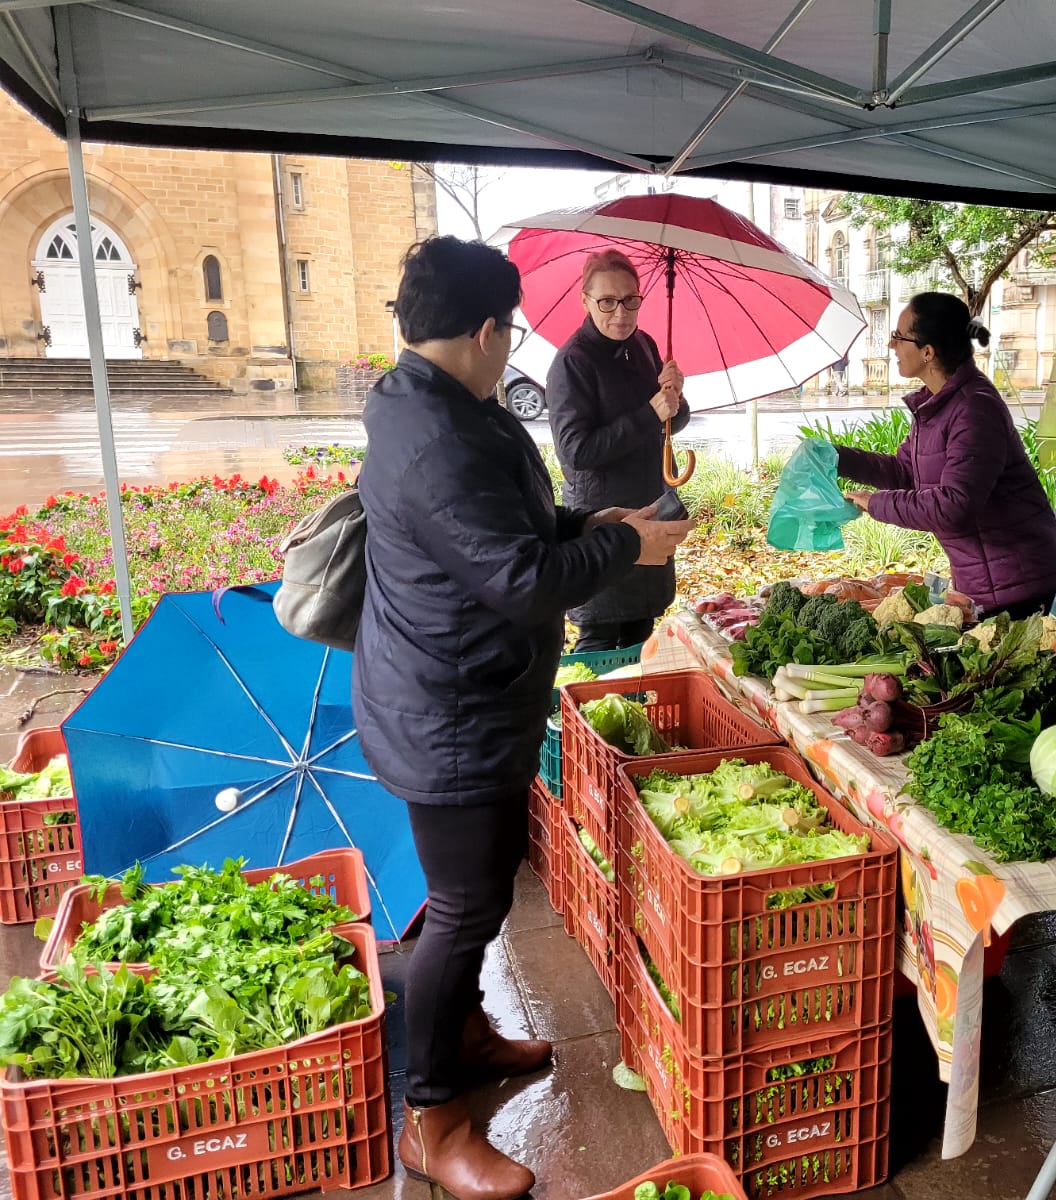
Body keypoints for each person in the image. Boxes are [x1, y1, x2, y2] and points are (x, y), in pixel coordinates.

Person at [352, 236, 692, 1200]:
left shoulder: (441, 405)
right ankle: (431, 1116)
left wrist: (596, 526)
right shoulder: (439, 435)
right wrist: (625, 544)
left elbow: (515, 536)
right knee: (461, 910)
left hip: (463, 695)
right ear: (486, 329)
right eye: (511, 335)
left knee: (483, 892)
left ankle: (462, 1035)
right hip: (446, 709)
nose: (514, 352)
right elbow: (517, 580)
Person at [835, 291, 1056, 618]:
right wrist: (839, 459)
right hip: (981, 576)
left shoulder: (974, 408)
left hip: (1018, 580)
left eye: (899, 337)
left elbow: (955, 506)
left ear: (927, 352)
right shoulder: (938, 404)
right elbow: (906, 471)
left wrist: (877, 503)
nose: (891, 346)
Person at [546, 249, 691, 652]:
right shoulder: (572, 362)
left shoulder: (644, 345)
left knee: (642, 640)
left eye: (630, 300)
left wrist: (674, 397)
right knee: (602, 639)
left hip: (651, 509)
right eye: (607, 302)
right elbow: (576, 451)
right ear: (586, 300)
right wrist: (649, 412)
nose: (620, 313)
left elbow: (669, 424)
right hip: (605, 521)